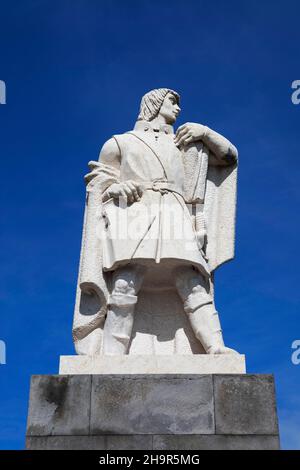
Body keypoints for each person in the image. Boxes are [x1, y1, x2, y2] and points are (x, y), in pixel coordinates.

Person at [73, 88, 239, 356]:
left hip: (175, 211)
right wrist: (115, 188)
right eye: (172, 101)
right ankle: (112, 356)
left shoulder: (185, 144)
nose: (178, 108)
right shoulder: (119, 143)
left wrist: (205, 132)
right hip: (135, 212)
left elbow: (228, 157)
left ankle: (214, 347)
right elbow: (98, 182)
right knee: (126, 281)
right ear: (154, 104)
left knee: (192, 280)